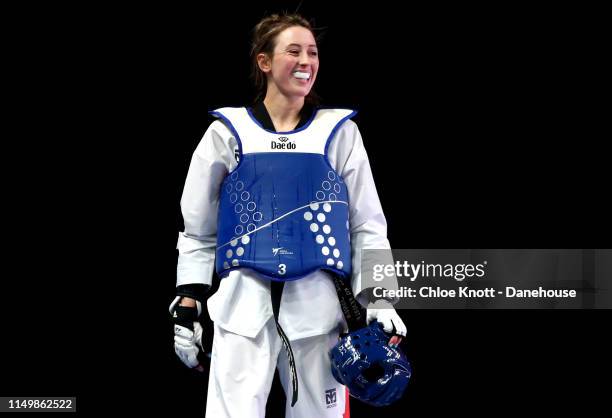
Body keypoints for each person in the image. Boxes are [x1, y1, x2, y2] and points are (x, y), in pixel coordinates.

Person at [170, 13, 406, 418]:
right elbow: (198, 229)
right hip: (242, 308)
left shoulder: (339, 132)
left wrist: (380, 299)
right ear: (264, 62)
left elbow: (367, 225)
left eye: (312, 52)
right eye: (293, 51)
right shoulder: (227, 131)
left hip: (320, 309)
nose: (306, 61)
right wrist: (188, 300)